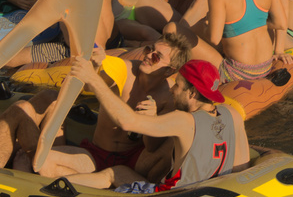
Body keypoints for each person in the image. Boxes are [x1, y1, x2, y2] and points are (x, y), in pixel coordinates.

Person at [64, 54, 245, 188]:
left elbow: (127, 122)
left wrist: (93, 79)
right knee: (119, 171)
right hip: (208, 196)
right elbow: (241, 168)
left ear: (192, 93)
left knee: (111, 174)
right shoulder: (232, 114)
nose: (172, 90)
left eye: (178, 85)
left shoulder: (184, 121)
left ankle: (49, 191)